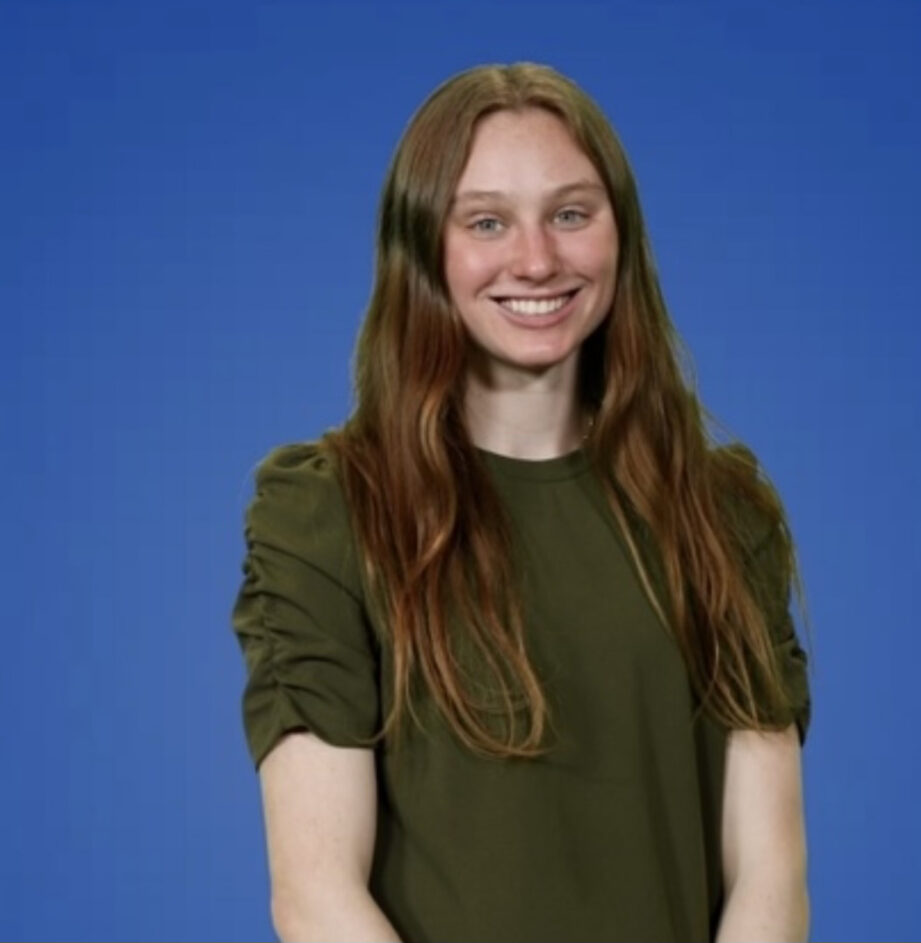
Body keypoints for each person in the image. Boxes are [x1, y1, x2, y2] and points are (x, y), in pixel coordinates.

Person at [230, 61, 813, 943]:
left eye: (571, 213)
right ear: (426, 247)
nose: (537, 259)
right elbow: (315, 894)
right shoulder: (326, 513)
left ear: (622, 234)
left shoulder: (723, 513)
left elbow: (771, 877)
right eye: (488, 221)